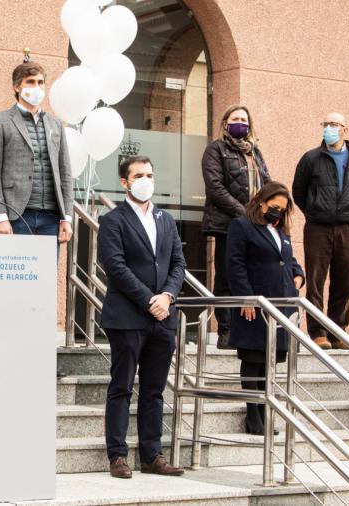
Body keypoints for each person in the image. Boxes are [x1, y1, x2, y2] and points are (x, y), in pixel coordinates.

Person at [98, 155, 186, 479]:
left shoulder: (166, 219)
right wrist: (149, 300)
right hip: (127, 317)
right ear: (125, 182)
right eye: (138, 175)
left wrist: (167, 297)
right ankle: (118, 455)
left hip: (163, 318)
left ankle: (152, 455)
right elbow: (116, 268)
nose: (145, 179)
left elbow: (178, 263)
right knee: (122, 387)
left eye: (149, 174)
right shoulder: (113, 221)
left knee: (154, 390)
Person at [227, 182, 304, 434]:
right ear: (261, 202)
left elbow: (289, 260)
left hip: (280, 305)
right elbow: (235, 264)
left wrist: (298, 276)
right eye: (274, 207)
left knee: (270, 361)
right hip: (255, 304)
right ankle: (253, 416)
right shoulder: (242, 226)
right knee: (253, 358)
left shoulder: (281, 231)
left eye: (282, 210)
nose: (278, 213)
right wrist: (246, 297)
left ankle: (265, 412)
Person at [202, 104, 271, 349]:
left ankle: (247, 330)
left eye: (244, 119)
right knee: (226, 277)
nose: (240, 122)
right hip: (227, 225)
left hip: (255, 225)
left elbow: (267, 185)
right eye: (235, 118)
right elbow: (215, 187)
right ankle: (226, 330)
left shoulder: (256, 153)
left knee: (250, 276)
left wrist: (267, 210)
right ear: (225, 123)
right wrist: (244, 212)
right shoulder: (216, 150)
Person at [0, 60, 73, 246]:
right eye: (30, 82)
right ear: (16, 87)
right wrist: (0, 216)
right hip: (16, 216)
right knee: (15, 274)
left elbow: (65, 173)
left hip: (52, 218)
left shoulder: (55, 124)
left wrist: (67, 217)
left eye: (40, 82)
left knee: (45, 275)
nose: (36, 87)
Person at [292, 112, 349, 350]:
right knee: (316, 280)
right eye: (326, 124)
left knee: (345, 280)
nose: (329, 128)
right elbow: (298, 191)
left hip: (348, 226)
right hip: (318, 227)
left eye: (334, 124)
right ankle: (318, 332)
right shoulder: (311, 158)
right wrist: (314, 212)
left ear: (344, 130)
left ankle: (338, 331)